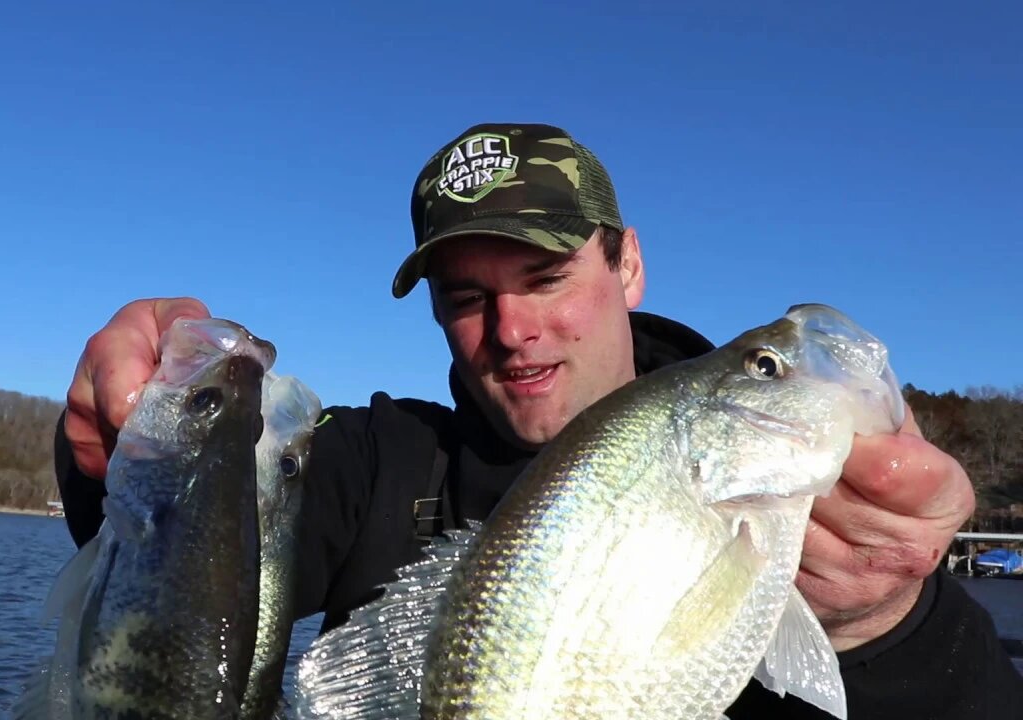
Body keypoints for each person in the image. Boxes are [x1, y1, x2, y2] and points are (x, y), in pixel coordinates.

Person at [52, 122, 1023, 717]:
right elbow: (184, 588)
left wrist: (886, 622)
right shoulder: (371, 458)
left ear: (626, 265)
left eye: (545, 276)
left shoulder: (785, 479)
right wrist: (141, 445)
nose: (509, 331)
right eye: (463, 295)